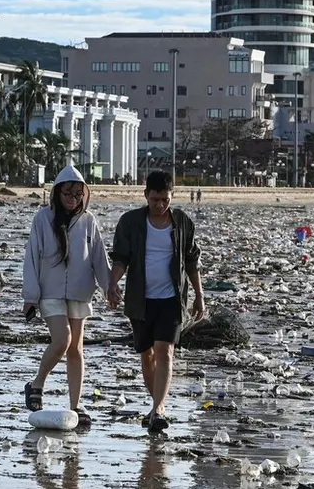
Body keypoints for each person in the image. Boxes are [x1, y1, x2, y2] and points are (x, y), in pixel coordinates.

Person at [108, 170, 204, 434]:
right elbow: (121, 258)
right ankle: (155, 406)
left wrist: (199, 296)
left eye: (165, 199)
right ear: (146, 196)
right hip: (141, 300)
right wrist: (112, 283)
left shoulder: (182, 222)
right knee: (147, 354)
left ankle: (159, 408)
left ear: (172, 196)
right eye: (155, 200)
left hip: (172, 299)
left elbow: (192, 261)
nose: (160, 205)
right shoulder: (131, 222)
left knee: (165, 351)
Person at [22, 164, 111, 429]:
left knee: (76, 349)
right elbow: (32, 258)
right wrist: (30, 296)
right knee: (63, 339)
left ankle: (76, 404)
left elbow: (98, 256)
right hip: (49, 292)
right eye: (68, 195)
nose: (73, 200)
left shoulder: (88, 221)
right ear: (57, 194)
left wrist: (110, 289)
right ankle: (37, 383)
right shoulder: (42, 219)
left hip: (80, 292)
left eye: (77, 195)